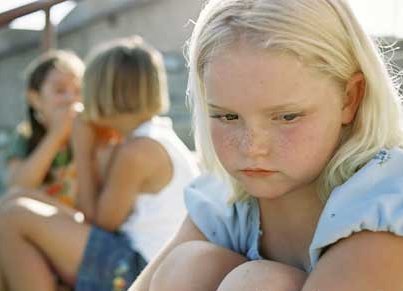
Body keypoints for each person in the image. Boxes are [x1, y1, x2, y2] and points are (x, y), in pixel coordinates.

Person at [129, 0, 403, 290]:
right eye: (227, 116)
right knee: (188, 267)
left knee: (258, 285)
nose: (252, 147)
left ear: (350, 97)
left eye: (287, 116)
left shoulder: (382, 205)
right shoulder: (227, 201)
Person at [0, 37, 200, 291]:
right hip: (141, 260)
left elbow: (98, 223)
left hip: (143, 271)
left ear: (104, 94)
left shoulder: (137, 152)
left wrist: (83, 150)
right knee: (15, 199)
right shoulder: (149, 136)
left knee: (13, 219)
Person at [4, 50, 84, 206]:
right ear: (35, 99)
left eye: (78, 91)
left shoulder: (91, 133)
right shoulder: (25, 135)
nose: (71, 98)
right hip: (38, 223)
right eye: (60, 91)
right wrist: (56, 135)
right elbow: (18, 187)